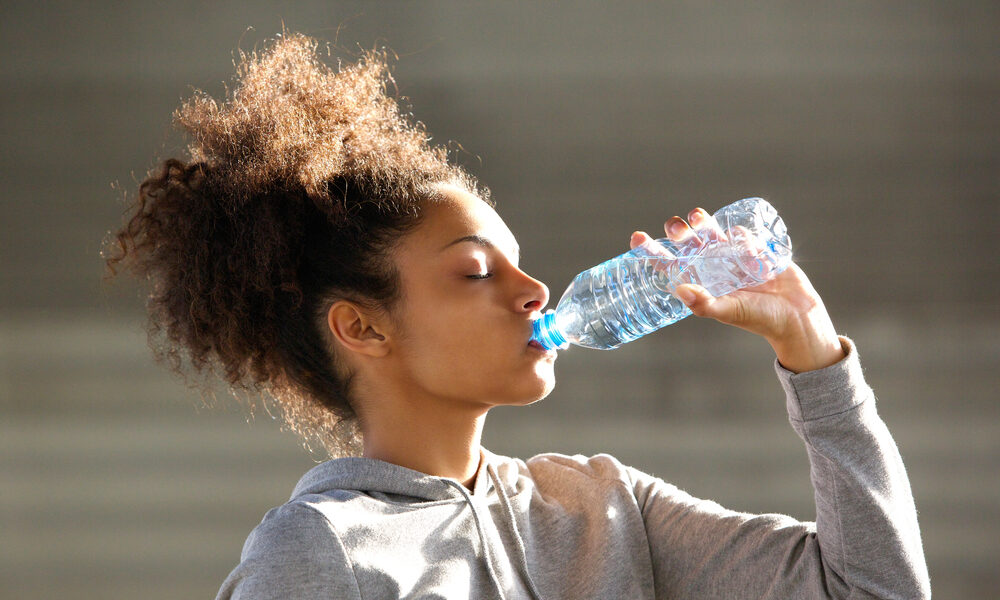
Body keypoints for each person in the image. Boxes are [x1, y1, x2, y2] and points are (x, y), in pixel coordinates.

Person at [105, 33, 930, 599]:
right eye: (474, 271)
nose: (534, 289)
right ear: (364, 328)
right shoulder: (320, 551)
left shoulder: (602, 507)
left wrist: (814, 356)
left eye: (518, 260)